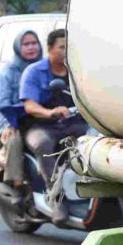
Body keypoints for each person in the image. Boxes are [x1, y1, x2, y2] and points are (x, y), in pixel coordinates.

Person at [20, 28, 86, 223]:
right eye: (61, 47)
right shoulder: (34, 72)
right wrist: (50, 112)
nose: (66, 51)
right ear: (49, 48)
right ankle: (55, 198)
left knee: (95, 140)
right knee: (43, 145)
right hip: (41, 126)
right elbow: (29, 105)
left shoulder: (76, 70)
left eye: (68, 47)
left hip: (72, 123)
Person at [0, 29, 42, 185]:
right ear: (18, 47)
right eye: (26, 44)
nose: (31, 47)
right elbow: (1, 105)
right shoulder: (9, 72)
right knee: (15, 140)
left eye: (34, 43)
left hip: (41, 118)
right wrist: (10, 124)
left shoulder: (44, 67)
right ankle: (15, 183)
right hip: (12, 121)